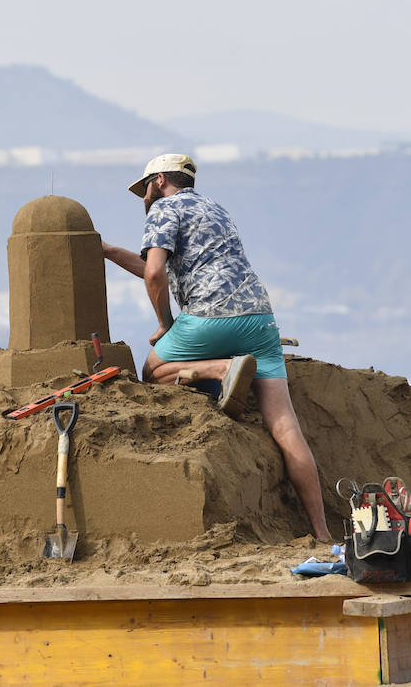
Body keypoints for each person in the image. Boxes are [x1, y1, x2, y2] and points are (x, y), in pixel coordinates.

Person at [103, 153, 333, 541]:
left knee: (153, 369)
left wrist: (165, 324)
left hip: (210, 316)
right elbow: (156, 268)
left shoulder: (162, 209)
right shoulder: (215, 209)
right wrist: (109, 251)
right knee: (285, 425)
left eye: (143, 189)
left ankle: (220, 370)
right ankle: (323, 533)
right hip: (259, 317)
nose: (142, 198)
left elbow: (156, 273)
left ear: (159, 181)